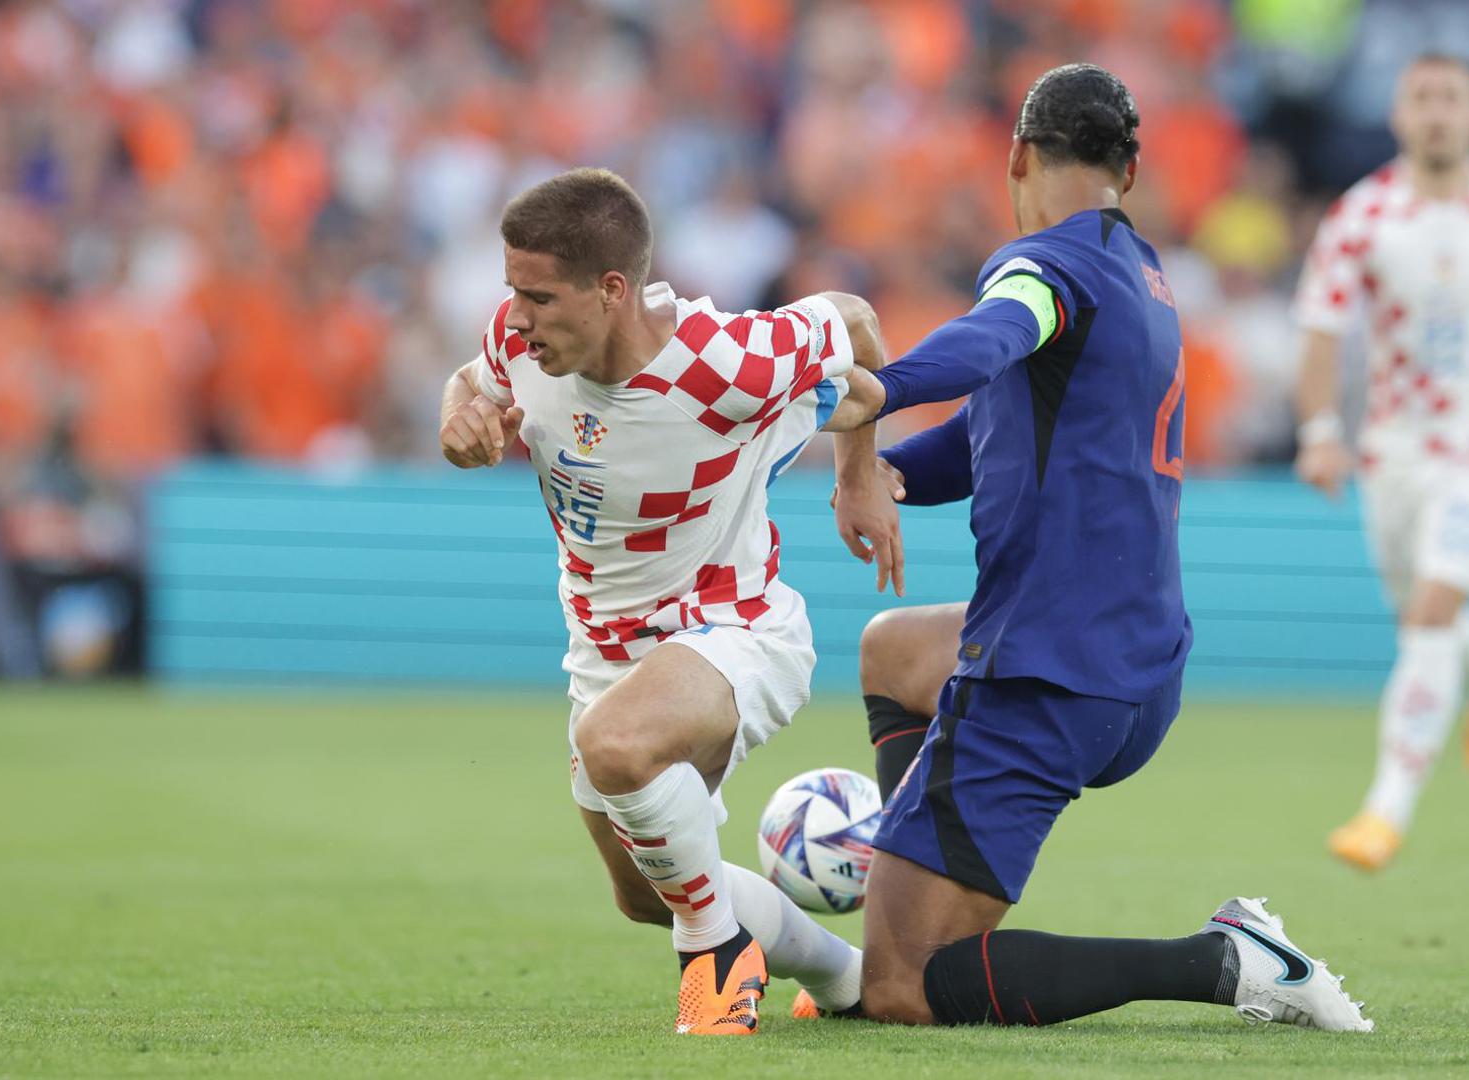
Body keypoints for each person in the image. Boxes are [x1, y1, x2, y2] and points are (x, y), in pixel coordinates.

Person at [814, 63, 1372, 1031]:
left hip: (1048, 673)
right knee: (896, 652)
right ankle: (922, 856)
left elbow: (992, 335)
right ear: (1131, 170)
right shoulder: (1143, 278)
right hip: (1138, 668)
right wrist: (891, 473)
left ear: (1018, 158)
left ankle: (1225, 961)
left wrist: (880, 389)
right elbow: (993, 425)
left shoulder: (1044, 267)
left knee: (900, 984)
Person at [437, 167, 901, 1035]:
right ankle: (851, 979)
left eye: (538, 297)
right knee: (648, 895)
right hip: (603, 652)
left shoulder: (726, 365)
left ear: (612, 290)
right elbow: (472, 385)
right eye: (512, 293)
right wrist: (457, 422)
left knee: (614, 747)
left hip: (737, 630)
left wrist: (859, 478)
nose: (517, 317)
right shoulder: (518, 340)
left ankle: (716, 962)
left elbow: (859, 332)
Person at [1293, 54, 1469, 871]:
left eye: (1451, 97)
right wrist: (1320, 428)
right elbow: (1320, 327)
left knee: (1427, 613)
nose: (1437, 113)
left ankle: (1384, 811)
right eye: (1422, 98)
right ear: (1397, 114)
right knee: (1425, 610)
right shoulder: (1364, 215)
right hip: (1397, 453)